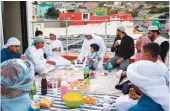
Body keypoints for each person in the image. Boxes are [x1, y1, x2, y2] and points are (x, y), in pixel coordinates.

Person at [115, 43, 169, 111]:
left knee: (120, 104)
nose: (140, 55)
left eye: (141, 52)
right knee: (121, 101)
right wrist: (139, 97)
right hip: (159, 100)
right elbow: (156, 92)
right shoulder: (159, 66)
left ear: (147, 54)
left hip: (156, 103)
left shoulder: (156, 69)